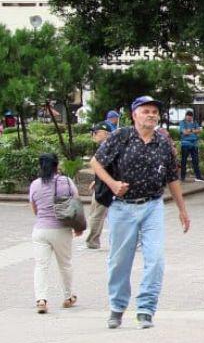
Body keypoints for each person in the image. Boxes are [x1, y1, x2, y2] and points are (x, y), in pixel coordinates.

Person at [90, 95, 191, 329]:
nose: (151, 115)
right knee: (119, 261)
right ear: (134, 114)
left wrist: (182, 210)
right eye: (146, 111)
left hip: (152, 206)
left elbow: (172, 178)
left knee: (155, 260)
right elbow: (96, 163)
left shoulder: (163, 142)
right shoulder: (121, 137)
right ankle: (117, 307)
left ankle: (146, 309)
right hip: (122, 208)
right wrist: (113, 184)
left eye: (155, 112)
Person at [29, 152, 82, 314]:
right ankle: (68, 297)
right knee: (65, 264)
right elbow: (76, 204)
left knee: (41, 266)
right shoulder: (66, 182)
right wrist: (78, 226)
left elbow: (34, 209)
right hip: (61, 230)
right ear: (56, 166)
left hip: (40, 230)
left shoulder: (35, 185)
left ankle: (41, 299)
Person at [82, 124, 111, 250]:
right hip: (102, 184)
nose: (93, 135)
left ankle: (92, 241)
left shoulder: (109, 147)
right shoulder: (104, 147)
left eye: (96, 132)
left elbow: (108, 167)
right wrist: (96, 179)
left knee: (97, 214)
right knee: (95, 212)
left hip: (106, 186)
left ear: (105, 133)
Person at [178, 110, 204, 182]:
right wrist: (193, 130)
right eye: (188, 117)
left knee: (196, 161)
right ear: (186, 116)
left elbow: (199, 130)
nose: (189, 118)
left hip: (194, 144)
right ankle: (182, 177)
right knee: (184, 161)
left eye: (191, 117)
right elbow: (184, 132)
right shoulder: (182, 122)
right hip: (185, 144)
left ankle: (198, 177)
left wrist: (190, 130)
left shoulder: (195, 122)